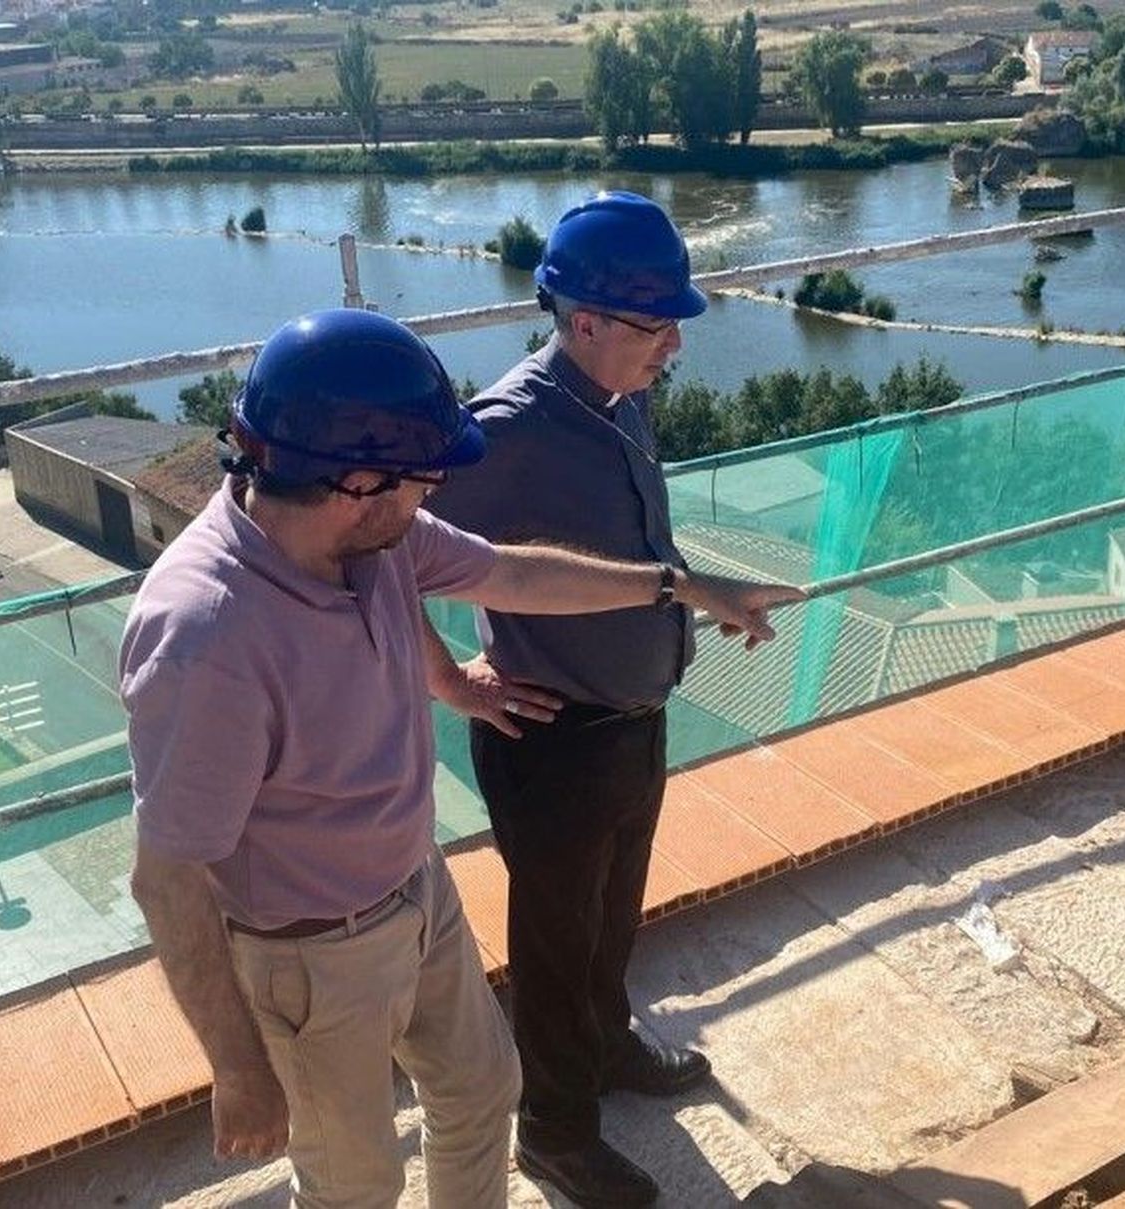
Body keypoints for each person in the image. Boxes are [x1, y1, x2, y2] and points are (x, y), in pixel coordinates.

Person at [120, 308, 799, 1209]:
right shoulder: (206, 635)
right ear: (359, 480)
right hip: (310, 953)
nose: (433, 495)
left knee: (482, 1095)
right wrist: (239, 1065)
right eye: (422, 479)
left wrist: (681, 585)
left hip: (416, 889)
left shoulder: (376, 537)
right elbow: (168, 880)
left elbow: (512, 575)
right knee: (355, 1184)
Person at [423, 191, 755, 1208]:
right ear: (583, 323)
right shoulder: (505, 431)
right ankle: (555, 1136)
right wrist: (448, 680)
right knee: (555, 949)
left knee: (611, 921)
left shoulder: (623, 400)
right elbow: (381, 555)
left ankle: (607, 1054)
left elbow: (640, 546)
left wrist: (702, 594)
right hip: (551, 739)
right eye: (654, 328)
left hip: (632, 721)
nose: (670, 350)